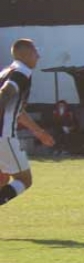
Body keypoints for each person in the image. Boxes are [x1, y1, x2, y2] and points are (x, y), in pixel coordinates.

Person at [0, 39, 55, 207]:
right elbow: (6, 92)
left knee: (2, 178)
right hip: (4, 136)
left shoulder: (5, 71)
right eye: (35, 52)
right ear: (26, 54)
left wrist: (38, 131)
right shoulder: (22, 71)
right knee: (24, 179)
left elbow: (18, 112)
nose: (38, 56)